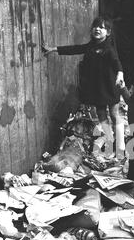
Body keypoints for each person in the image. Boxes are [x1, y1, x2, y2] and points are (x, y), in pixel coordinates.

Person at [42, 16, 125, 157]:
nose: (97, 29)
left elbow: (117, 62)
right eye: (95, 26)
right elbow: (75, 49)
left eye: (102, 27)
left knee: (114, 114)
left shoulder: (109, 48)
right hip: (98, 88)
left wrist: (120, 74)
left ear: (108, 32)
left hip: (110, 86)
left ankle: (121, 145)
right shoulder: (90, 46)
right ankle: (110, 141)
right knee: (101, 115)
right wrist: (53, 49)